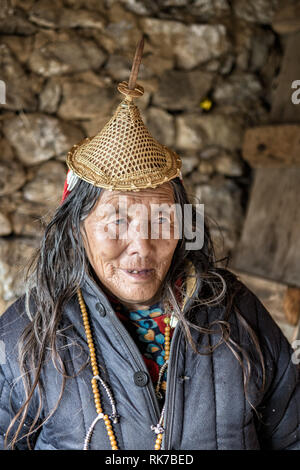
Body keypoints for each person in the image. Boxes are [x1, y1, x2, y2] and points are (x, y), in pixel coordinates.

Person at [0, 39, 299, 451]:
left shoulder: (237, 313)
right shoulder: (25, 335)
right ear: (76, 227)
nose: (142, 246)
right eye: (118, 220)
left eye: (162, 221)